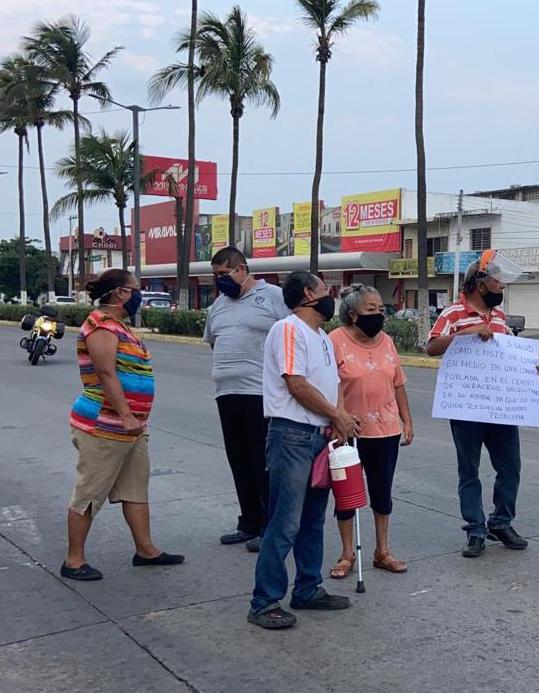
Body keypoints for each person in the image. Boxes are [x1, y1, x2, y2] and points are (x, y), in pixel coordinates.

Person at [248, 271, 358, 630]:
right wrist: (337, 415)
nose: (331, 295)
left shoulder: (322, 337)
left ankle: (308, 587)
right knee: (286, 521)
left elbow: (333, 383)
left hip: (319, 434)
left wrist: (338, 420)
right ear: (309, 293)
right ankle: (264, 601)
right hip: (292, 434)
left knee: (312, 519)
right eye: (326, 289)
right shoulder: (288, 329)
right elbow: (296, 384)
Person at [62, 269, 184, 581]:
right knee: (90, 492)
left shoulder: (119, 326)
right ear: (120, 293)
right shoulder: (101, 326)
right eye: (135, 289)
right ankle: (74, 560)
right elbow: (105, 373)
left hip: (130, 429)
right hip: (104, 425)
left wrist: (134, 420)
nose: (139, 295)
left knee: (134, 489)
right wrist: (127, 415)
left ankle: (146, 550)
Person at [426, 249, 533, 559]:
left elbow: (504, 355)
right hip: (465, 406)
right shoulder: (452, 313)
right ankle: (475, 529)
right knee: (469, 471)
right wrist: (468, 331)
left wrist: (529, 366)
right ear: (479, 283)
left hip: (500, 405)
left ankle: (501, 522)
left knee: (510, 467)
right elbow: (432, 347)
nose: (502, 287)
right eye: (497, 282)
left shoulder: (499, 316)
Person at [203, 247, 291, 552]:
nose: (219, 281)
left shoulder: (273, 296)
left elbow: (293, 334)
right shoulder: (218, 306)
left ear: (242, 269)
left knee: (261, 462)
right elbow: (214, 342)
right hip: (227, 393)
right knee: (238, 459)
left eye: (223, 274)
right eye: (215, 276)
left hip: (261, 393)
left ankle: (270, 525)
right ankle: (249, 521)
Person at [327, 284, 414, 578]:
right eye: (370, 310)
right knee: (346, 494)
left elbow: (398, 383)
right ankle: (347, 553)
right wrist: (338, 417)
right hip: (347, 430)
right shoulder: (334, 340)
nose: (378, 315)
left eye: (380, 310)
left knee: (382, 492)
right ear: (352, 315)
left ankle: (382, 551)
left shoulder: (387, 341)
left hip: (385, 429)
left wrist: (407, 420)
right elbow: (329, 383)